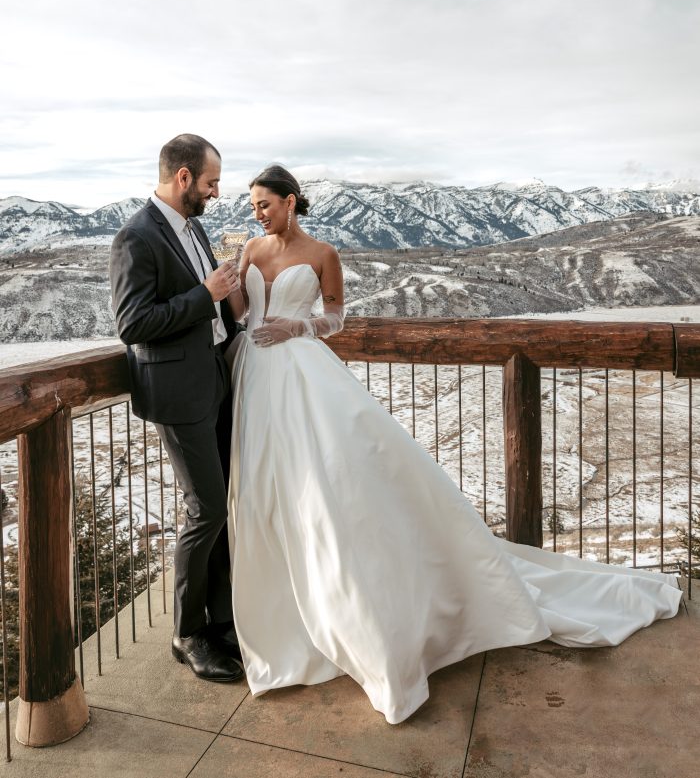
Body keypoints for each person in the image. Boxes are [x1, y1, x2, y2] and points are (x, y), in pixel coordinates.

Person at [225, 164, 682, 725]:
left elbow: (336, 319)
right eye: (253, 203)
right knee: (263, 490)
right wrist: (231, 291)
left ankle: (362, 610)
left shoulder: (323, 254)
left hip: (302, 374)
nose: (257, 211)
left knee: (330, 484)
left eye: (265, 202)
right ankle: (282, 614)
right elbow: (243, 315)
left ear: (290, 201)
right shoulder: (247, 248)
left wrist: (298, 328)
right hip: (254, 374)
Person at [109, 134, 244, 683]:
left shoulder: (195, 227)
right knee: (205, 509)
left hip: (213, 381)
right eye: (211, 182)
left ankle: (224, 620)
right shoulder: (135, 238)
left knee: (223, 506)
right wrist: (205, 294)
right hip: (178, 397)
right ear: (183, 177)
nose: (216, 192)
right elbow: (133, 324)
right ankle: (187, 635)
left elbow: (211, 305)